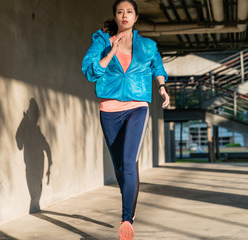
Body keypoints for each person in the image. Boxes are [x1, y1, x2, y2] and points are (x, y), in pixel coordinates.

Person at [81, 0, 169, 239]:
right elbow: (90, 71)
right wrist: (110, 51)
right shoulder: (101, 42)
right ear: (116, 17)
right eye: (120, 12)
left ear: (136, 17)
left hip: (137, 107)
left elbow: (157, 67)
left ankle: (126, 219)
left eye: (129, 12)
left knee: (129, 161)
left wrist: (162, 87)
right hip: (109, 110)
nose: (125, 15)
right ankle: (131, 201)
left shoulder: (147, 46)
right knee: (119, 166)